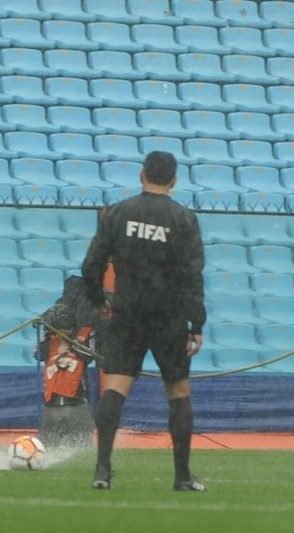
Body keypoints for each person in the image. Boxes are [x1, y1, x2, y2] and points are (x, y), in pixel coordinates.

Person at [81, 151, 207, 492]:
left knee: (115, 387)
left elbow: (91, 264)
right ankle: (182, 476)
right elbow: (192, 276)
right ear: (174, 180)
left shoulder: (118, 213)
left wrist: (97, 301)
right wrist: (196, 324)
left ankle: (102, 470)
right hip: (169, 316)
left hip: (128, 313)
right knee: (177, 391)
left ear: (141, 175)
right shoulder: (183, 219)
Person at [36, 275, 110, 449]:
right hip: (57, 402)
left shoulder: (86, 328)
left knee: (77, 452)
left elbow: (88, 355)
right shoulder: (50, 331)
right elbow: (39, 354)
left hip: (73, 400)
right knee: (59, 451)